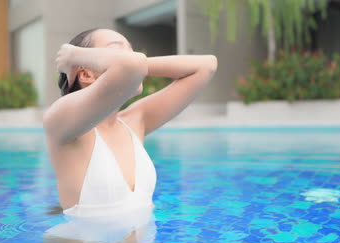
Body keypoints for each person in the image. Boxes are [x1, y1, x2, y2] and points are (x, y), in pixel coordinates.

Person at [43, 28, 218, 217]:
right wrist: (76, 56)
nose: (132, 55)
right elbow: (132, 66)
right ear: (85, 75)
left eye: (131, 50)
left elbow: (206, 65)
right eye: (117, 51)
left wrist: (77, 57)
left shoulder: (135, 120)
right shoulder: (61, 123)